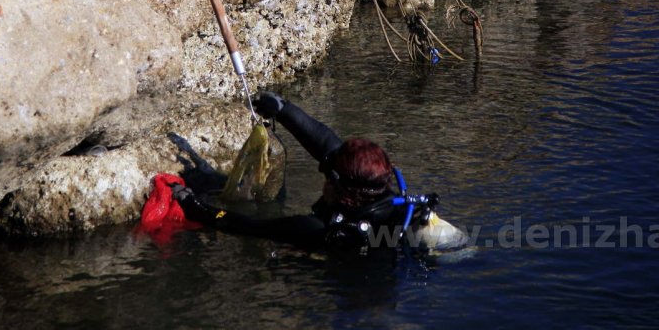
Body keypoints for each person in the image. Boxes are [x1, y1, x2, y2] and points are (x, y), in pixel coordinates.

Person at [172, 92, 458, 254]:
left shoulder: (319, 230)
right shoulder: (399, 207)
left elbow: (246, 226)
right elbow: (326, 144)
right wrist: (282, 110)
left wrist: (190, 204)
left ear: (335, 182)